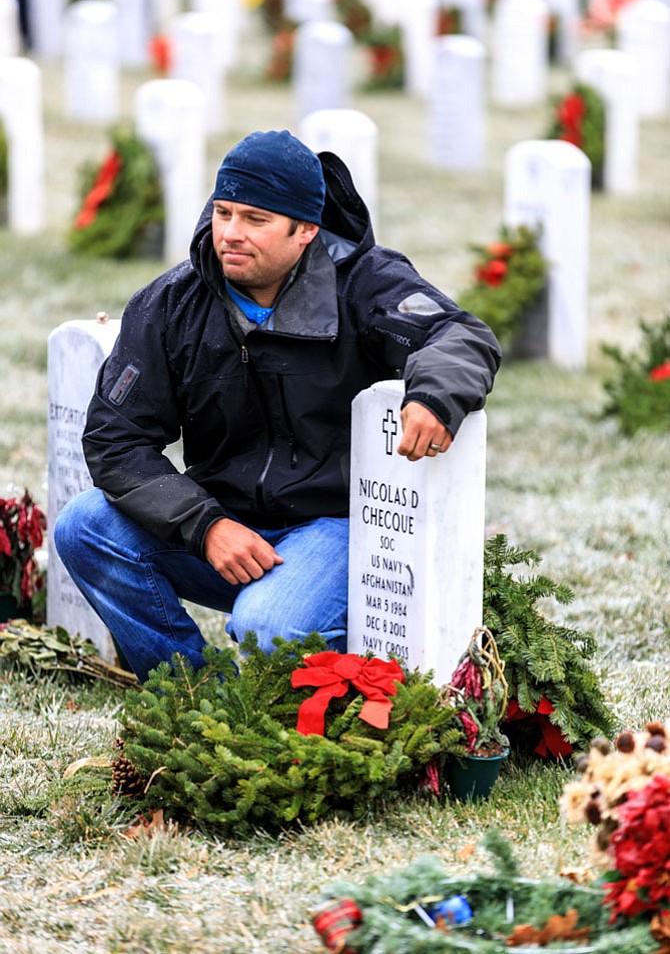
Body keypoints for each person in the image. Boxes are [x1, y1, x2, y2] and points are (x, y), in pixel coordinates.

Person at [54, 129, 502, 683]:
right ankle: (192, 697)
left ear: (306, 230)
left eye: (256, 219)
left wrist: (434, 395)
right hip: (223, 523)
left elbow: (459, 334)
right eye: (223, 212)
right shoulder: (173, 302)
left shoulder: (365, 282)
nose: (231, 234)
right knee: (84, 527)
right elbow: (115, 439)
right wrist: (205, 524)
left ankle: (302, 683)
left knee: (268, 625)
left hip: (332, 527)